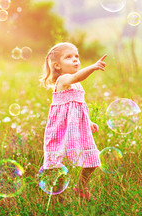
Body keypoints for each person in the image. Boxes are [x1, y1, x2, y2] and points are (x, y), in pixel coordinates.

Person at [39, 42, 107, 201]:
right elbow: (77, 75)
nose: (75, 60)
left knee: (92, 161)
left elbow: (79, 106)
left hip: (78, 129)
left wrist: (88, 121)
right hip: (62, 130)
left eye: (76, 56)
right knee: (58, 164)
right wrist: (93, 67)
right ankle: (58, 196)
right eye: (68, 57)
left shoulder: (77, 84)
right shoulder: (63, 80)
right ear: (57, 65)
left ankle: (81, 187)